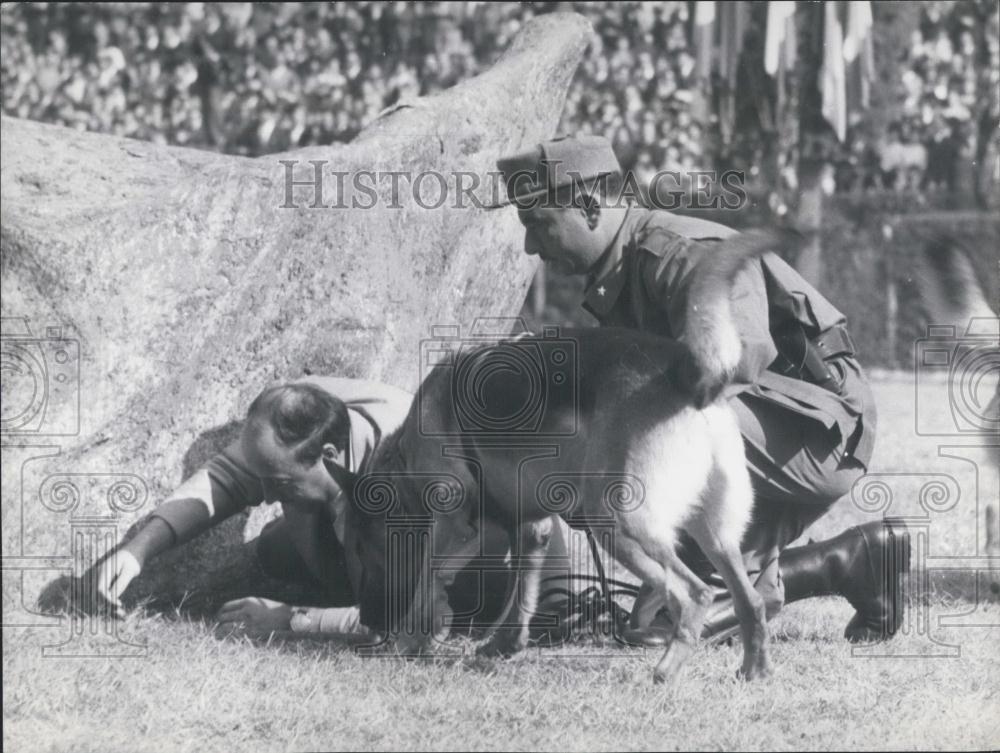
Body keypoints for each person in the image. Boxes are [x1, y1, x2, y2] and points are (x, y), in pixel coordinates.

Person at [494, 134, 911, 646]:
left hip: (819, 426)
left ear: (587, 204)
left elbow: (737, 364)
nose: (530, 246)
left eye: (538, 224)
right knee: (600, 463)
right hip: (760, 422)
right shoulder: (623, 264)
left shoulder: (677, 252)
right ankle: (851, 561)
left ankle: (724, 587)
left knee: (609, 453)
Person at [90, 375, 614, 640]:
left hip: (492, 567)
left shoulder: (420, 478)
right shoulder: (297, 419)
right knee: (275, 552)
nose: (265, 498)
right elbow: (227, 478)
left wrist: (292, 621)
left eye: (279, 487)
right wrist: (136, 551)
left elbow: (417, 619)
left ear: (332, 457)